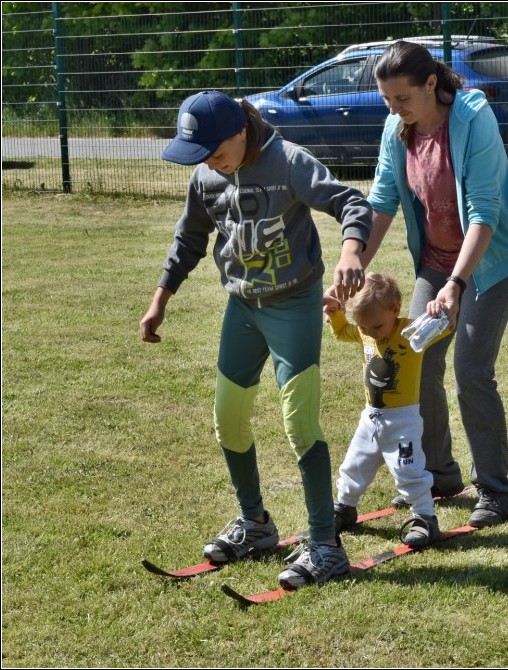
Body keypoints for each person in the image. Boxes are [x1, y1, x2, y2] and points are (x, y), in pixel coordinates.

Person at [139, 90, 372, 589]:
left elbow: (350, 201)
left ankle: (326, 546)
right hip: (243, 307)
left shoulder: (287, 162)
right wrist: (161, 299)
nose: (208, 163)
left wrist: (351, 252)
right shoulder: (206, 176)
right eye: (199, 155)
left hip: (294, 305)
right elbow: (189, 239)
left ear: (240, 131)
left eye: (214, 151)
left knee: (299, 423)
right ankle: (255, 525)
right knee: (228, 419)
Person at [331, 40, 508, 528]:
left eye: (402, 99)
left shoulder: (473, 120)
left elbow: (484, 212)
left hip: (488, 261)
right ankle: (440, 475)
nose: (394, 109)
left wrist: (457, 284)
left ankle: (496, 490)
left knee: (471, 369)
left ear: (431, 85)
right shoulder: (395, 126)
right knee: (417, 360)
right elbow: (382, 199)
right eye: (387, 100)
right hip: (435, 261)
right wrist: (354, 259)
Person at [326, 272, 453, 548]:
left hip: (402, 422)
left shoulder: (412, 333)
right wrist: (335, 313)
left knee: (409, 471)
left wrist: (437, 309)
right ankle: (345, 507)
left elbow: (446, 326)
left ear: (395, 310)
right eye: (364, 328)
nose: (370, 333)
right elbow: (341, 331)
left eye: (376, 327)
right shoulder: (365, 330)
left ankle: (424, 518)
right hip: (370, 419)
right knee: (353, 466)